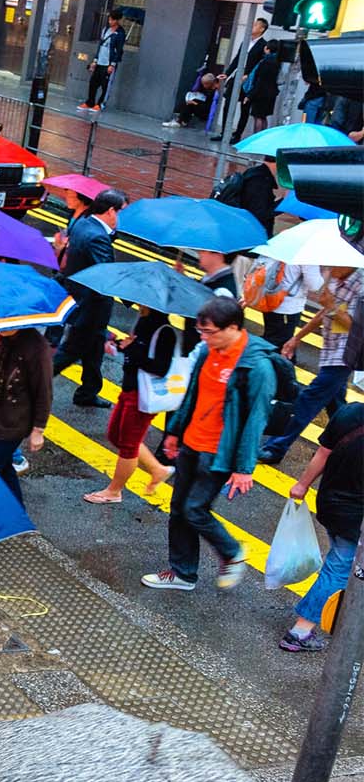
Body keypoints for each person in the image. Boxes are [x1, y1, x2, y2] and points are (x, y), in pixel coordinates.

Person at [142, 296, 276, 591]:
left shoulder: (256, 367)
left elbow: (256, 419)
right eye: (201, 331)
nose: (203, 338)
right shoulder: (208, 351)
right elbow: (192, 395)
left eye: (209, 332)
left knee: (194, 509)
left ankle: (232, 552)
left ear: (233, 327)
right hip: (191, 443)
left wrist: (244, 467)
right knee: (178, 508)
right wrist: (174, 432)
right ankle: (183, 573)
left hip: (219, 453)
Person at [279, 400, 362, 653]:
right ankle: (300, 631)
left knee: (340, 563)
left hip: (329, 504)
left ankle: (340, 613)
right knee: (339, 568)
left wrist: (302, 485)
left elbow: (323, 453)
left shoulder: (350, 412)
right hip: (355, 516)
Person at [259, 264, 361, 463]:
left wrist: (331, 306)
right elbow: (324, 313)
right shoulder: (336, 277)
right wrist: (297, 338)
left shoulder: (361, 285)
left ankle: (276, 447)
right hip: (331, 348)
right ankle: (345, 445)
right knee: (336, 405)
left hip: (348, 353)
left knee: (309, 398)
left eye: (334, 264)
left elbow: (358, 326)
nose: (329, 269)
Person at [85, 305, 179, 503]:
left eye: (143, 303)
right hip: (129, 389)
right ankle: (157, 469)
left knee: (128, 444)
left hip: (142, 396)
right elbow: (134, 351)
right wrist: (119, 345)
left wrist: (132, 349)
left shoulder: (164, 331)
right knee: (115, 435)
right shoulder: (143, 321)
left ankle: (114, 491)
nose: (138, 304)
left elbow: (160, 368)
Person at [52, 188, 124, 406]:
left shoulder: (84, 224)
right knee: (69, 353)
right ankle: (28, 385)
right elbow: (106, 274)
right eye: (120, 212)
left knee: (94, 352)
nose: (120, 219)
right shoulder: (97, 237)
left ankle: (88, 392)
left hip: (84, 304)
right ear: (111, 211)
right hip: (91, 308)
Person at [0, 327, 51, 505]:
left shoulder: (36, 346)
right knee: (5, 468)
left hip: (13, 422)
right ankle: (18, 514)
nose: (2, 327)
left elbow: (43, 391)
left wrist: (38, 429)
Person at [220, 17, 269, 140]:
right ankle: (223, 133)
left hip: (249, 80)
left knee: (245, 107)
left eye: (256, 25)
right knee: (228, 103)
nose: (252, 26)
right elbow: (237, 58)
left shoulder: (263, 45)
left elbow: (260, 65)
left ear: (262, 29)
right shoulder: (245, 41)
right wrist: (227, 73)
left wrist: (249, 74)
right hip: (237, 76)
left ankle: (237, 135)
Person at [229, 38, 282, 143]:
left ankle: (256, 140)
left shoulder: (265, 62)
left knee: (258, 117)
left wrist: (250, 95)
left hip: (261, 93)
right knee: (263, 117)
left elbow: (259, 81)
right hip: (271, 93)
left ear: (268, 48)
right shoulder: (277, 62)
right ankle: (262, 139)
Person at [222, 155, 281, 237]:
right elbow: (260, 213)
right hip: (253, 234)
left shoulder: (254, 172)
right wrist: (283, 202)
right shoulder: (260, 180)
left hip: (246, 229)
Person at [80, 9, 127, 111]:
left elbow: (119, 50)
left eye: (112, 20)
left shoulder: (120, 33)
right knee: (93, 82)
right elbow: (100, 46)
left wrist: (112, 64)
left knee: (105, 85)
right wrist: (95, 60)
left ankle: (100, 104)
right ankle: (90, 102)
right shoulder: (105, 30)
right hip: (100, 61)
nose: (110, 21)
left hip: (108, 63)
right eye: (109, 19)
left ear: (117, 20)